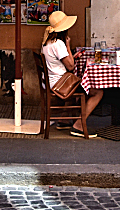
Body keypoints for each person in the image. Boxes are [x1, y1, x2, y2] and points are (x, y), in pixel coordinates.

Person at [41, 10, 103, 138]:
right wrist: (68, 46)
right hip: (60, 84)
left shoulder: (47, 43)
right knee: (97, 92)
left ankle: (63, 119)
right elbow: (71, 66)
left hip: (52, 81)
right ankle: (79, 125)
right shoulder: (58, 44)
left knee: (78, 83)